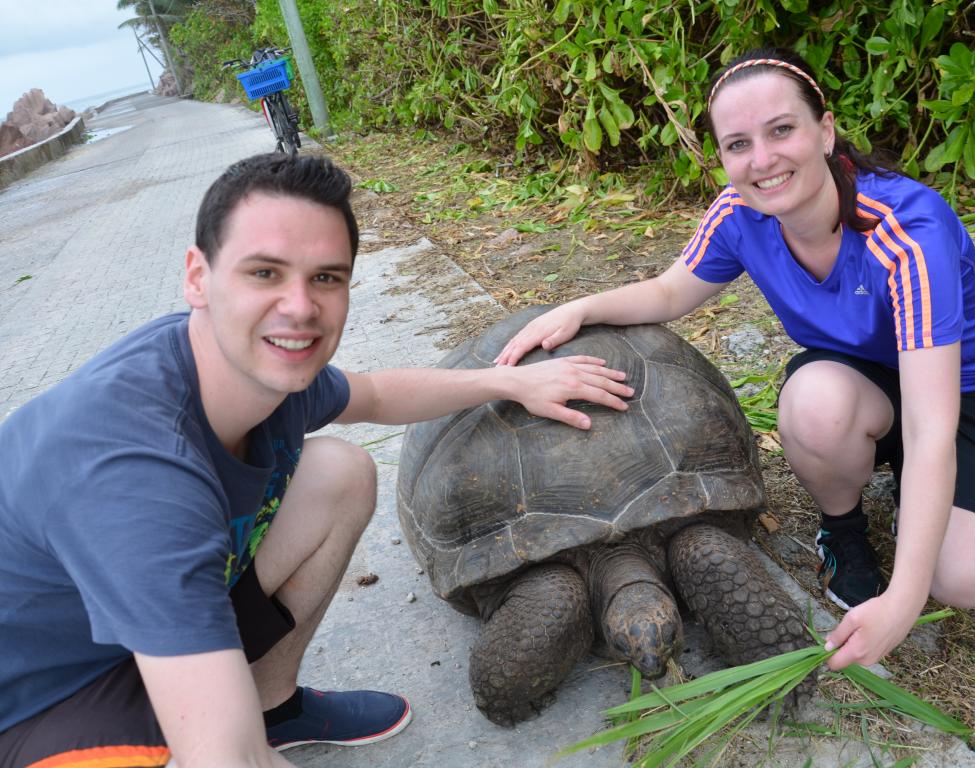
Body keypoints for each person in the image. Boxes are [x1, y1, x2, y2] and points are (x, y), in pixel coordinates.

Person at [0, 153, 634, 768]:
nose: (300, 308)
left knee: (338, 472)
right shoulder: (137, 475)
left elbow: (379, 394)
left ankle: (273, 706)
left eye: (325, 277)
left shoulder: (256, 373)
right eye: (264, 273)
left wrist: (512, 383)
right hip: (40, 704)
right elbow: (227, 759)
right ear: (197, 276)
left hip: (136, 617)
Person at [495, 47, 975, 672]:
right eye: (738, 143)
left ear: (824, 131)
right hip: (864, 388)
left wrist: (903, 599)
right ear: (721, 157)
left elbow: (932, 426)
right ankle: (844, 530)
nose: (763, 161)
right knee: (813, 402)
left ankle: (934, 490)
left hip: (969, 391)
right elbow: (669, 291)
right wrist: (582, 307)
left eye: (782, 130)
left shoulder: (906, 231)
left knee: (960, 578)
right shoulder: (740, 215)